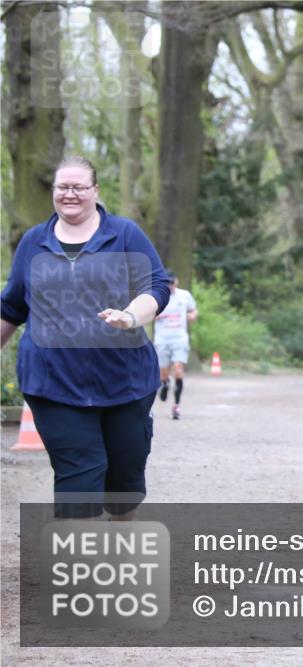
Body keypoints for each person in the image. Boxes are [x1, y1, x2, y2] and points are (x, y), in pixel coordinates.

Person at [0, 156, 171, 519]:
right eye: (63, 187)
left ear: (96, 191)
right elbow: (12, 307)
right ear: (54, 192)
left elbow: (155, 287)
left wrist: (129, 316)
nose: (70, 194)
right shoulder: (34, 242)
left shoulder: (124, 234)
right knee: (80, 473)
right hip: (53, 383)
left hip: (124, 381)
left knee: (124, 486)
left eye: (79, 187)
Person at [154, 270, 198, 420]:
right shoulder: (158, 296)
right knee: (163, 373)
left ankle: (176, 406)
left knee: (178, 370)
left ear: (176, 282)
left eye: (173, 283)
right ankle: (164, 384)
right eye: (168, 283)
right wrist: (154, 315)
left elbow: (193, 310)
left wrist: (192, 315)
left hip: (179, 339)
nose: (171, 286)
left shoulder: (184, 295)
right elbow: (147, 313)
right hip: (162, 339)